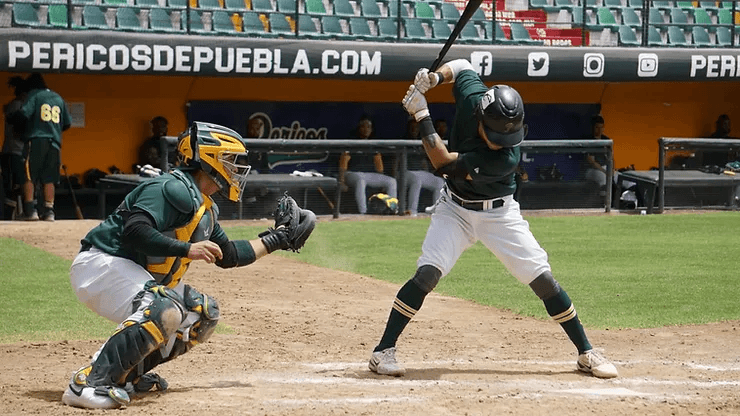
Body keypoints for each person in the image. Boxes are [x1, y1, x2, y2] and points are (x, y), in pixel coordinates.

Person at [367, 59, 618, 380]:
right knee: (427, 274)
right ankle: (383, 350)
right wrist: (434, 78)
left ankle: (586, 351)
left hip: (499, 214)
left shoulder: (503, 157)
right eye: (496, 133)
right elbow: (462, 65)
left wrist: (421, 113)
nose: (502, 141)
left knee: (542, 278)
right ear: (481, 117)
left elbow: (441, 162)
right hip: (454, 210)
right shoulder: (476, 99)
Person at [61, 122, 314, 409]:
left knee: (201, 314)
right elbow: (135, 231)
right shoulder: (170, 187)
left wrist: (276, 239)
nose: (235, 168)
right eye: (229, 160)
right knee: (163, 308)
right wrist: (187, 249)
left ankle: (126, 375)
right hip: (100, 265)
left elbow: (228, 254)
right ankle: (89, 384)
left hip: (127, 273)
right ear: (208, 158)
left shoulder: (202, 205)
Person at [10, 73, 71, 221]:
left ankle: (30, 211)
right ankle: (49, 211)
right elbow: (67, 123)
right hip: (55, 143)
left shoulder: (35, 95)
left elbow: (24, 115)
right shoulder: (58, 98)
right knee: (49, 178)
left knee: (28, 175)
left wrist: (13, 120)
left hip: (36, 140)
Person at [339, 115, 397, 214]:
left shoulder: (373, 143)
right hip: (352, 174)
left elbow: (379, 164)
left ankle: (393, 209)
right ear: (359, 128)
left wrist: (381, 179)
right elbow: (343, 162)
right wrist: (341, 181)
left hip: (369, 175)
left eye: (368, 127)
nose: (366, 129)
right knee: (360, 180)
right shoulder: (352, 141)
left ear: (371, 129)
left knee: (391, 181)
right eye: (363, 126)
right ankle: (363, 212)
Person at [402, 118, 445, 215]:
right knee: (416, 179)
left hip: (420, 173)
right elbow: (396, 161)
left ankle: (437, 212)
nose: (414, 130)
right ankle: (412, 211)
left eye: (416, 128)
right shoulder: (403, 140)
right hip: (405, 172)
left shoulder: (423, 142)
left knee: (439, 182)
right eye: (412, 127)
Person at [1, 76, 29, 220]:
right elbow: (20, 129)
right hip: (14, 152)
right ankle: (10, 217)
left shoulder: (17, 104)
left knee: (18, 185)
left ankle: (18, 214)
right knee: (14, 186)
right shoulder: (18, 105)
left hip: (15, 152)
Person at [583, 115, 611, 188]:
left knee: (621, 178)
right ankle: (605, 199)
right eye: (597, 127)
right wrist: (605, 171)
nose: (599, 130)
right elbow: (591, 161)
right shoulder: (589, 140)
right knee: (604, 179)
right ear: (593, 127)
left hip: (606, 168)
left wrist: (612, 170)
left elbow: (611, 158)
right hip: (592, 170)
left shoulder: (606, 140)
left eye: (601, 127)